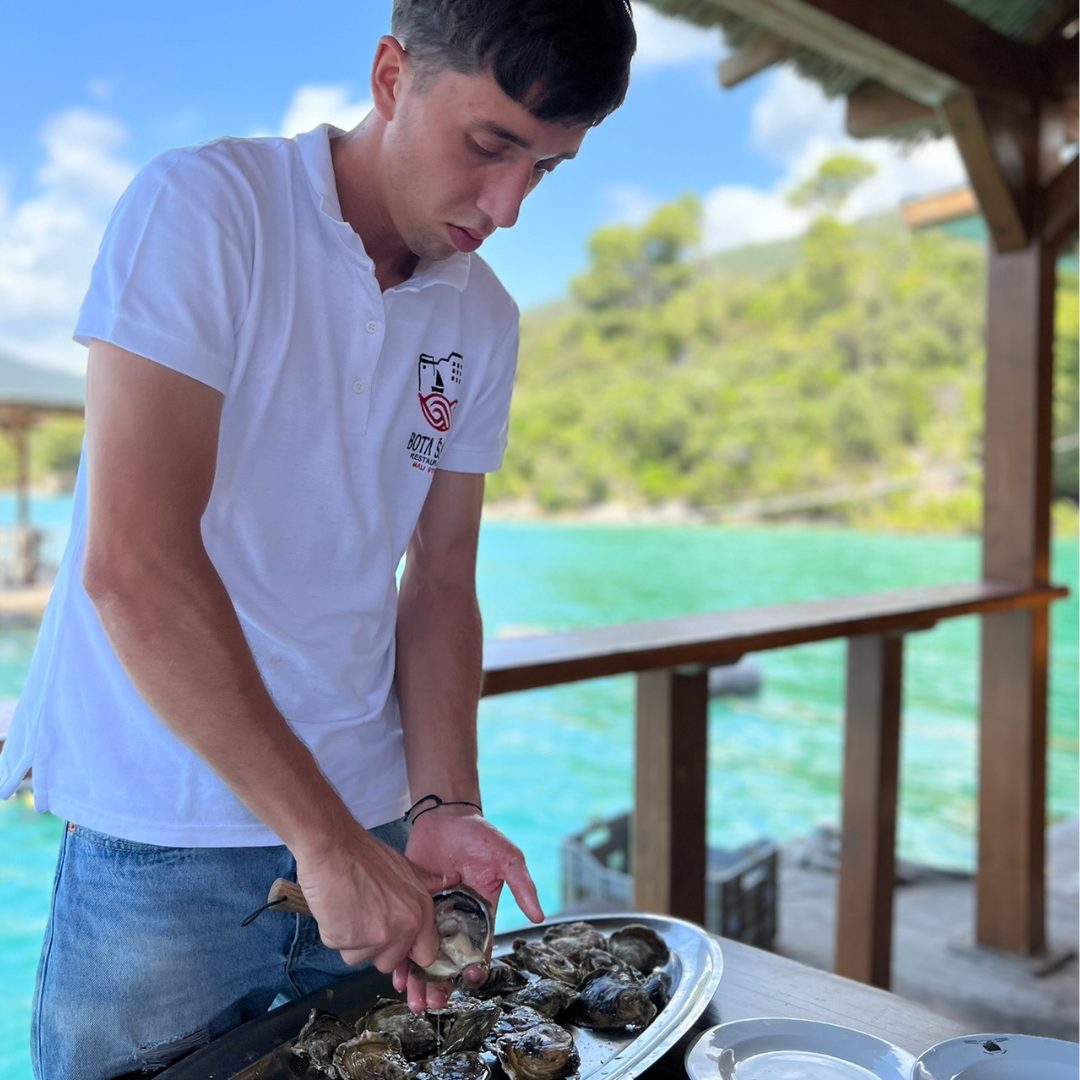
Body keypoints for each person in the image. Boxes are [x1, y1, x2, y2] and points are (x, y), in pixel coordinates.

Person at [0, 2, 636, 1077]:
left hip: (378, 832)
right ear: (392, 75)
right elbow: (135, 566)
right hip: (167, 826)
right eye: (489, 147)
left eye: (547, 168)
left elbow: (438, 581)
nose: (509, 205)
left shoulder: (482, 320)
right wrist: (325, 841)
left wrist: (443, 806)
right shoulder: (207, 208)